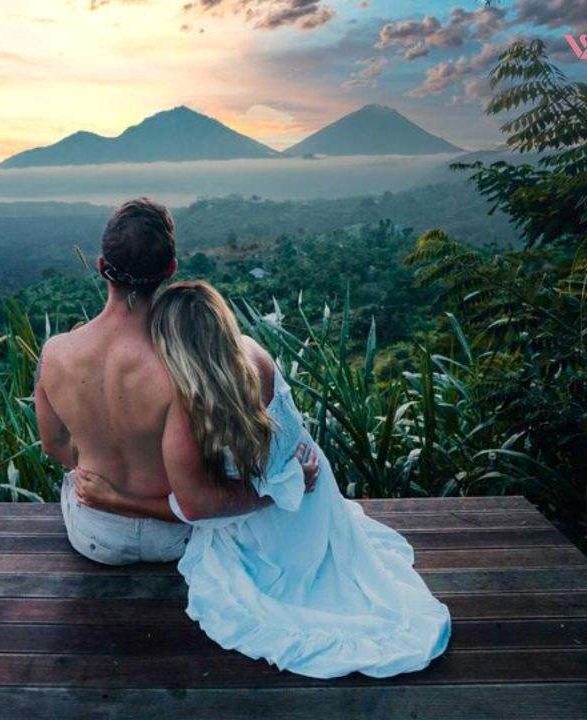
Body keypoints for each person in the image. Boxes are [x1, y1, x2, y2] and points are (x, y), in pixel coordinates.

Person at [74, 280, 451, 679]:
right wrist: (290, 481)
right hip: (314, 503)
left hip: (270, 524)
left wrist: (115, 500)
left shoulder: (190, 404)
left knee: (257, 597)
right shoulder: (253, 352)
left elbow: (197, 507)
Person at [36, 197, 285, 565]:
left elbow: (54, 446)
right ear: (171, 268)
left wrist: (103, 468)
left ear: (103, 267)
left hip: (93, 534)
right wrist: (276, 496)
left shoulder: (55, 352)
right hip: (176, 537)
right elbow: (195, 501)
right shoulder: (185, 366)